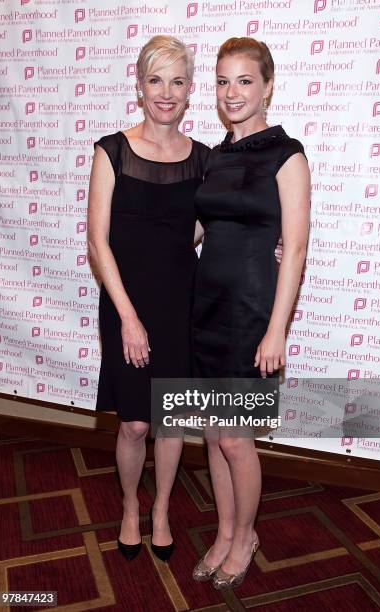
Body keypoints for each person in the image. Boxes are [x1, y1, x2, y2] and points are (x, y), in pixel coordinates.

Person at [192, 37, 310, 588]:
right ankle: (223, 531)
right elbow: (195, 230)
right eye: (222, 80)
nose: (231, 92)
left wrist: (276, 330)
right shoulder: (213, 157)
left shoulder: (287, 155)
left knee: (237, 437)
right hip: (206, 308)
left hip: (251, 311)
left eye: (244, 80)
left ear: (267, 86)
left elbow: (297, 248)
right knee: (213, 434)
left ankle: (247, 537)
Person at [87, 35, 210, 562]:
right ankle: (130, 507)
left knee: (173, 417)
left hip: (181, 301)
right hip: (126, 305)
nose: (166, 92)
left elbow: (201, 227)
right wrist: (129, 319)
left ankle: (161, 509)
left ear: (189, 92)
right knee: (136, 421)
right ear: (139, 86)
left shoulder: (203, 158)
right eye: (156, 79)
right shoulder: (110, 150)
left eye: (176, 81)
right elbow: (97, 242)